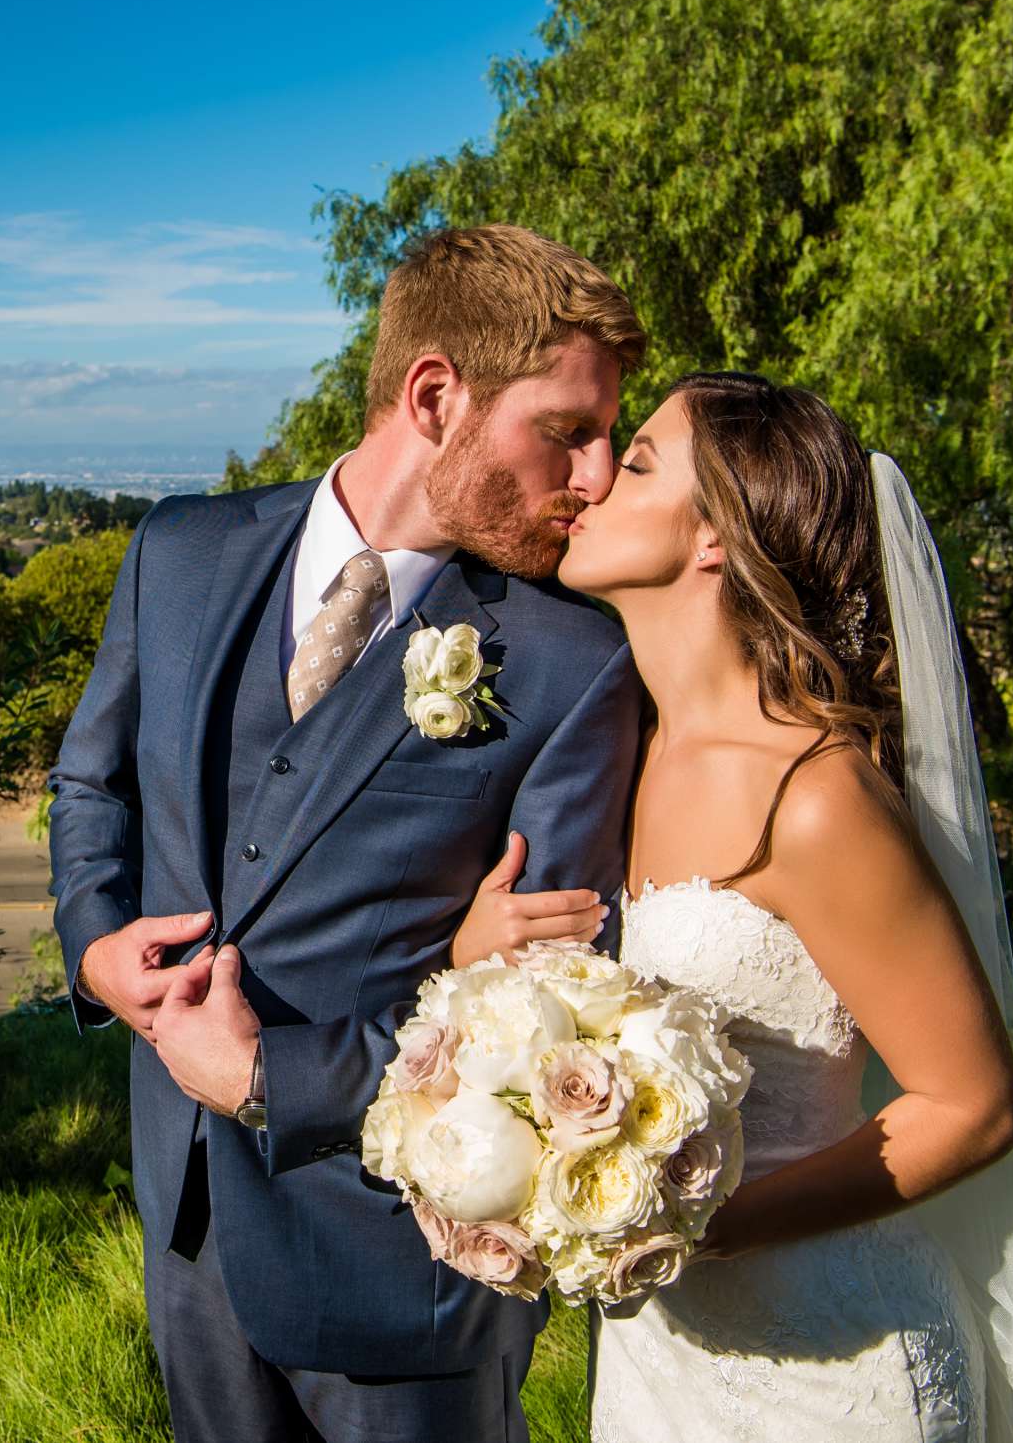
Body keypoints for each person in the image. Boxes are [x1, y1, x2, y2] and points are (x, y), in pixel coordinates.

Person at [455, 370, 1013, 1442]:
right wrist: (479, 960)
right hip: (659, 1359)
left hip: (834, 1373)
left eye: (637, 460)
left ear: (714, 542)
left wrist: (701, 1224)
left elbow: (973, 1107)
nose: (590, 479)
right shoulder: (626, 752)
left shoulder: (814, 797)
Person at [47, 224, 647, 1442]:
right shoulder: (179, 551)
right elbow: (92, 788)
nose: (594, 477)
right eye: (567, 431)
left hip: (411, 1269)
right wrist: (95, 944)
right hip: (193, 1225)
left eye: (605, 440)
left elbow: (557, 1018)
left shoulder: (577, 661)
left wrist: (274, 1077)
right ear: (436, 396)